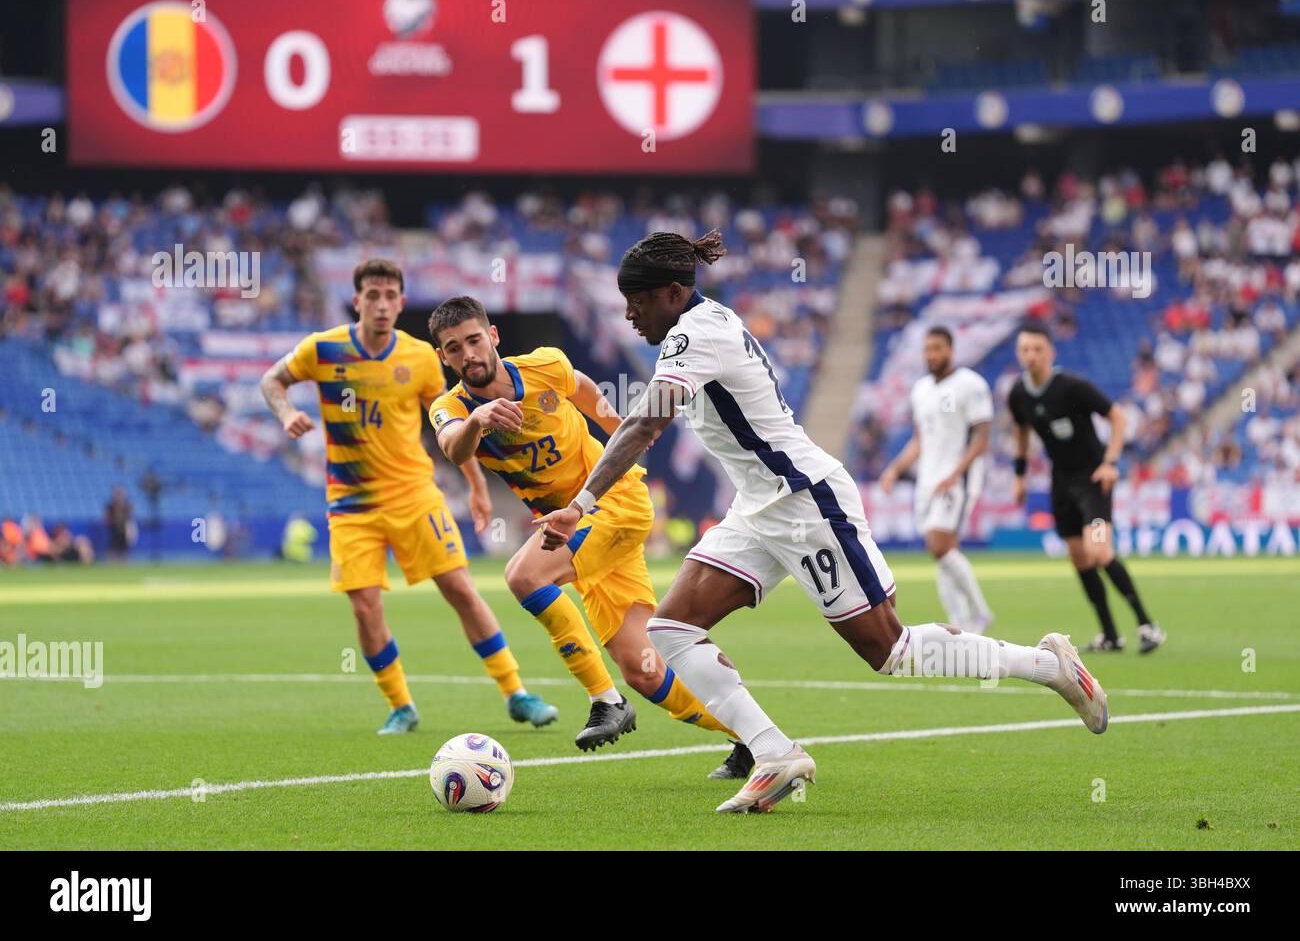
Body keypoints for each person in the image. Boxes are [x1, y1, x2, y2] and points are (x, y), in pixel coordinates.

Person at [535, 230, 1109, 815]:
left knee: (893, 652)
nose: (628, 314)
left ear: (675, 292)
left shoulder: (696, 332)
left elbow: (644, 425)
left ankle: (1048, 664)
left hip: (806, 502)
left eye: (637, 300)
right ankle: (774, 754)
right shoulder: (695, 327)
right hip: (756, 507)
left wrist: (580, 503)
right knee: (671, 629)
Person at [428, 297, 750, 777]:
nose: (467, 354)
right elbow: (453, 446)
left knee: (523, 576)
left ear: (492, 336)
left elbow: (578, 385)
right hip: (571, 528)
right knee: (643, 666)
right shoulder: (450, 407)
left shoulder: (544, 365)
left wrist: (619, 430)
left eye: (474, 340)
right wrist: (478, 419)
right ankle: (750, 735)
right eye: (454, 348)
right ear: (444, 358)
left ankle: (605, 701)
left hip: (612, 503)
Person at [260, 258, 558, 735]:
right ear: (357, 301)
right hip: (351, 502)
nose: (381, 304)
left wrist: (478, 489)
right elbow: (272, 381)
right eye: (371, 295)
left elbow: (455, 424)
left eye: (390, 295)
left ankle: (516, 692)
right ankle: (401, 705)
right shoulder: (322, 349)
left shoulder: (421, 357)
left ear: (401, 302)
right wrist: (283, 413)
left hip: (415, 493)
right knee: (364, 605)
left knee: (460, 588)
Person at [1009, 323, 1165, 654]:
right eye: (1025, 349)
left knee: (1099, 551)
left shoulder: (1072, 387)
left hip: (1093, 479)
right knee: (1079, 559)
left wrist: (1110, 463)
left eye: (1038, 349)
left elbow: (1118, 417)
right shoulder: (1018, 394)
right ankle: (1110, 635)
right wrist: (1020, 475)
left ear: (1051, 352)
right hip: (1061, 483)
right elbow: (1021, 432)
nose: (1031, 355)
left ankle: (1147, 625)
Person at [880, 326, 995, 633]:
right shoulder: (920, 390)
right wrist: (894, 469)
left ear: (951, 350)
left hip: (957, 479)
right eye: (927, 349)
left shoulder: (971, 384)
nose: (931, 354)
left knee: (939, 545)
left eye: (937, 348)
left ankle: (981, 612)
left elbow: (981, 438)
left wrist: (955, 474)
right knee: (942, 555)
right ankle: (961, 624)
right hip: (927, 480)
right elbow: (920, 440)